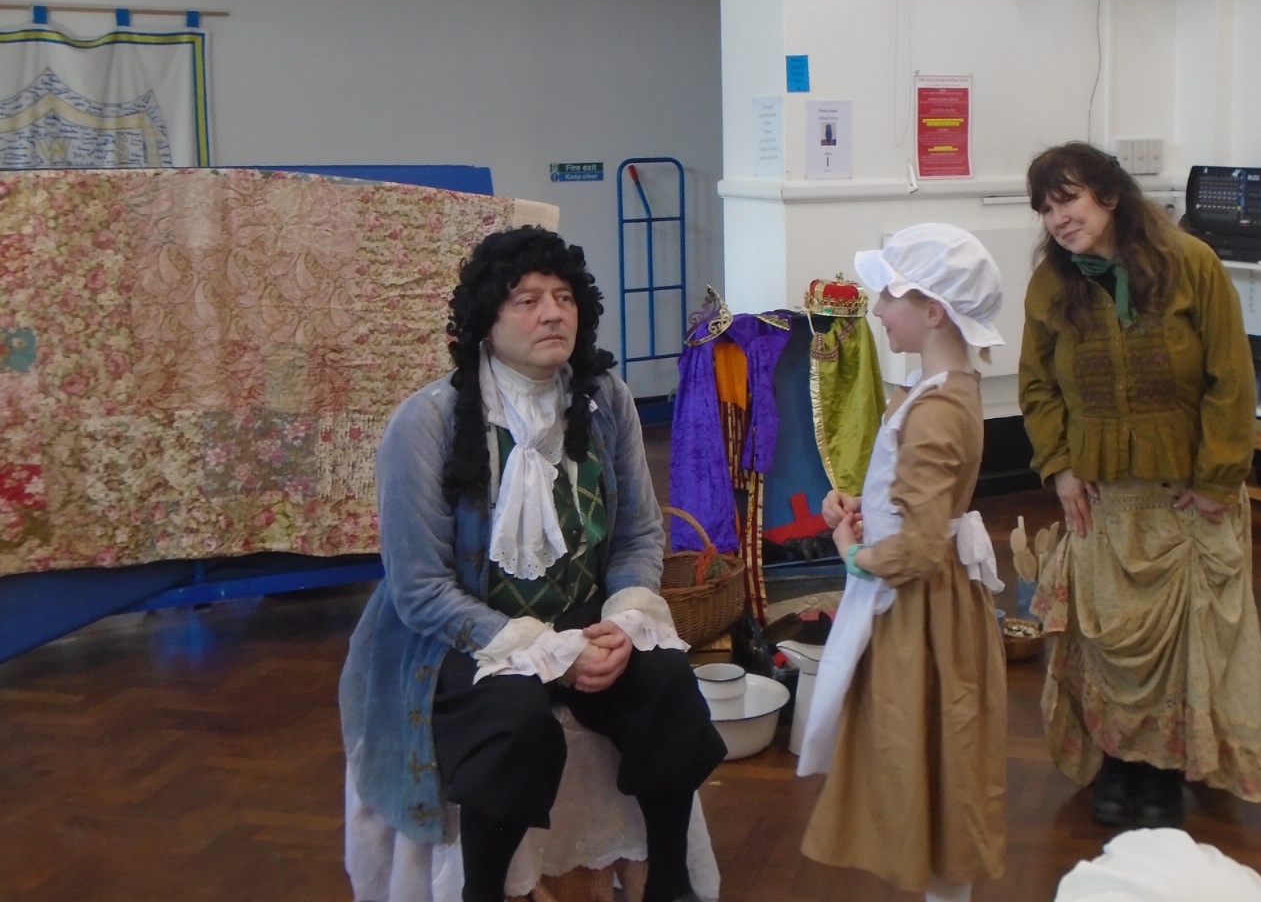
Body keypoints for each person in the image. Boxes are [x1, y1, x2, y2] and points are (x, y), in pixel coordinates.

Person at [339, 226, 725, 902]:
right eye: (527, 300)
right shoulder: (425, 423)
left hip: (581, 618)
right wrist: (545, 653)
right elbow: (420, 589)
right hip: (461, 637)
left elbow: (638, 532)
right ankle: (484, 892)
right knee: (513, 720)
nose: (552, 313)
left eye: (564, 297)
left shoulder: (605, 399)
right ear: (486, 322)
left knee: (666, 682)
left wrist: (625, 617)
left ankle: (670, 881)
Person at [1019, 142, 1261, 829]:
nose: (1057, 219)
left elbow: (1231, 377)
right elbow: (1038, 385)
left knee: (1183, 646)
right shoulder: (1051, 284)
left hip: (1185, 496)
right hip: (1101, 499)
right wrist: (1060, 465)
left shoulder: (1191, 264)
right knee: (1108, 643)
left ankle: (1165, 769)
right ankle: (1118, 759)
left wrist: (1217, 478)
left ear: (1110, 195)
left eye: (1068, 200)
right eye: (1045, 208)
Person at [797, 223, 1008, 902]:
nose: (879, 309)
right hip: (921, 598)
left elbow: (918, 547)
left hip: (921, 610)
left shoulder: (937, 409)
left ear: (933, 311)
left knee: (930, 752)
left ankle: (945, 886)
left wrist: (855, 552)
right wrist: (865, 503)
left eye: (889, 297)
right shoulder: (932, 388)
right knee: (926, 754)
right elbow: (920, 503)